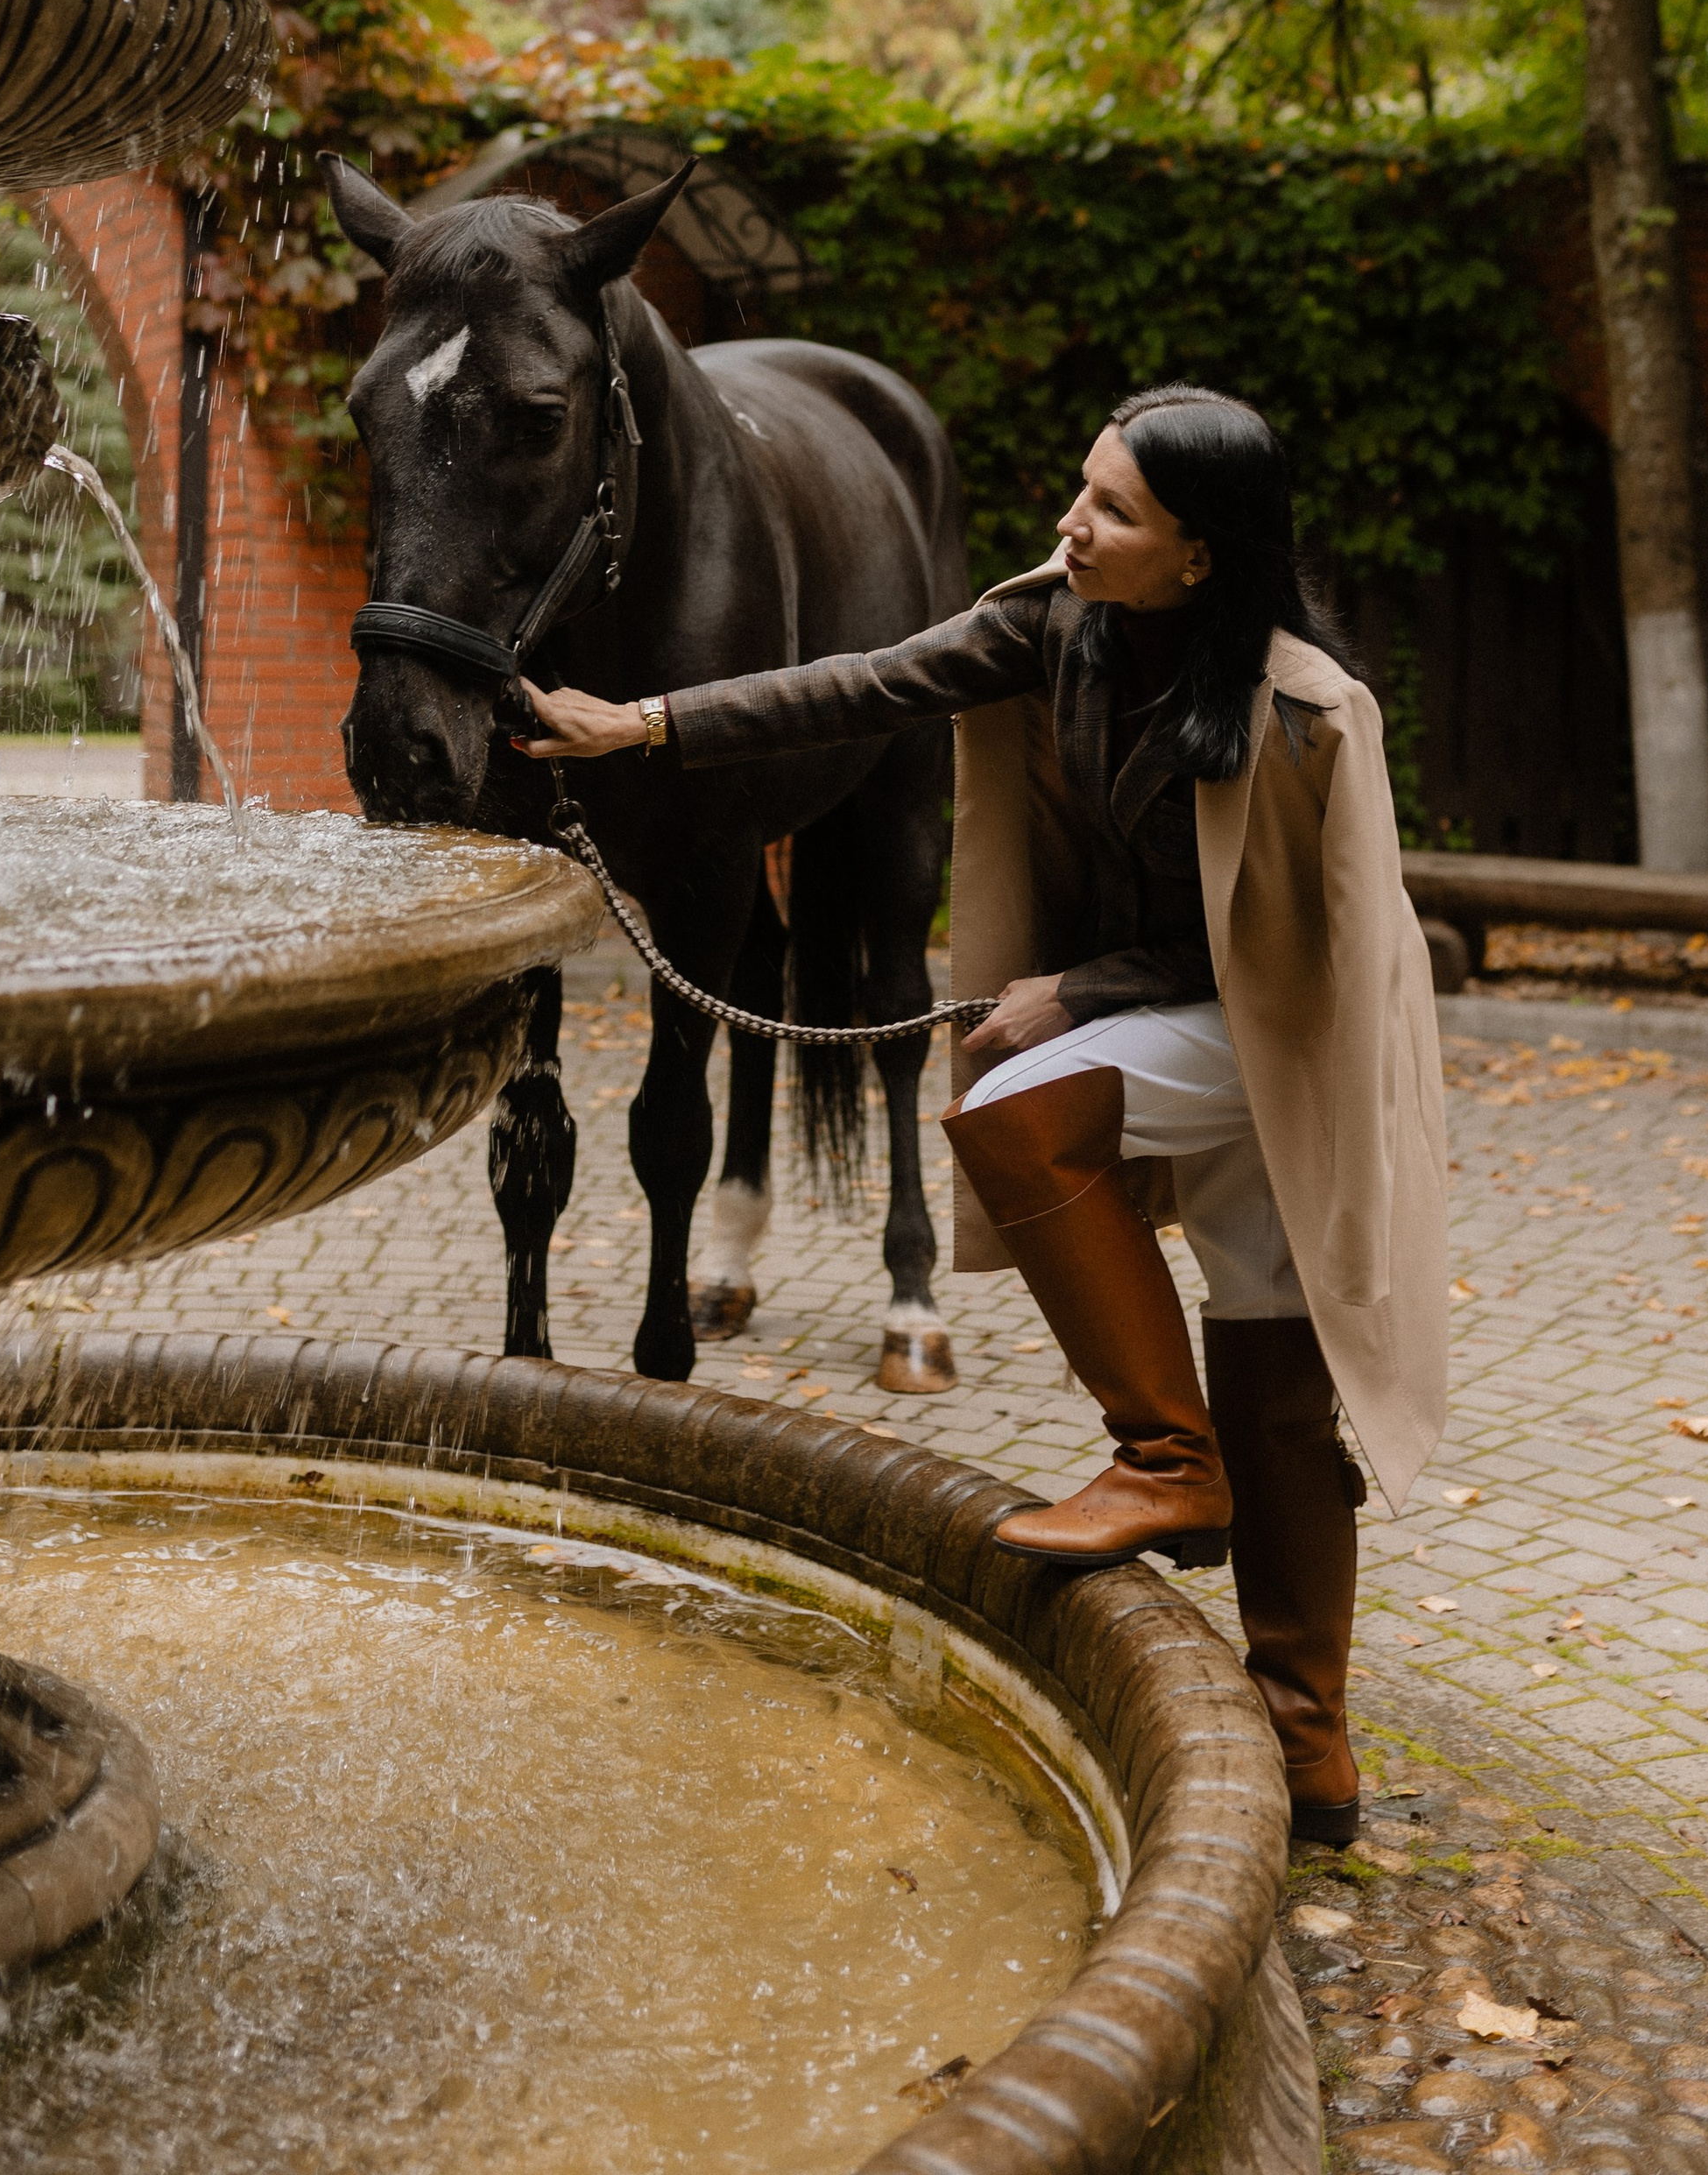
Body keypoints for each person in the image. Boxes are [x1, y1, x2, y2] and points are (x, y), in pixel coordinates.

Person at [515, 382, 1446, 1848]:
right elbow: (867, 681)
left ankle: (1293, 1716)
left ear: (1198, 554)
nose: (1072, 525)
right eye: (1081, 492)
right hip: (1178, 1018)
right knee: (1031, 1126)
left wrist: (1072, 990)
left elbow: (1300, 958)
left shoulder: (1310, 716)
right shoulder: (1054, 622)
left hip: (1294, 1046)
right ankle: (1191, 1508)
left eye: (1113, 510)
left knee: (1269, 1369)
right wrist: (644, 726)